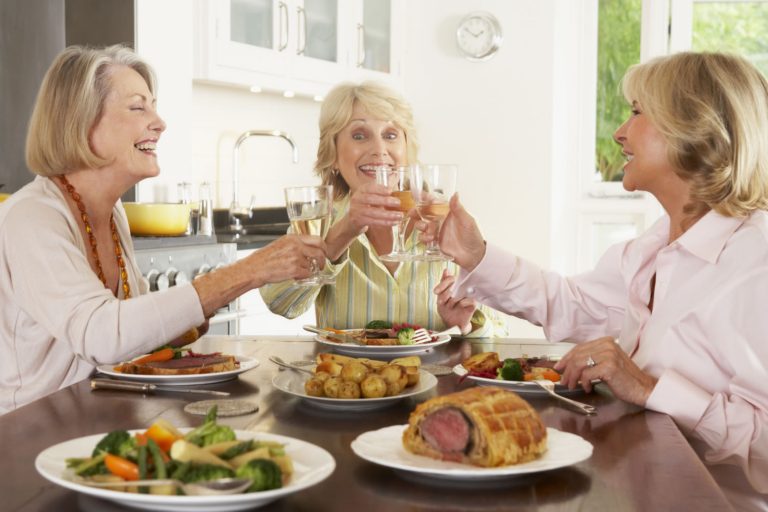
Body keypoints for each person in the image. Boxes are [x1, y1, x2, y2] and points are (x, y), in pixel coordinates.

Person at [430, 52, 768, 510]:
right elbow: (571, 304)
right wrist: (475, 253)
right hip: (640, 484)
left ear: (694, 127)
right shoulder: (657, 245)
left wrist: (650, 388)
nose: (620, 133)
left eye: (636, 112)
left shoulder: (756, 263)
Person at [0, 45, 326, 414]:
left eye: (153, 105)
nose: (159, 121)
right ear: (79, 121)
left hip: (96, 419)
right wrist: (248, 272)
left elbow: (131, 340)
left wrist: (186, 321)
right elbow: (102, 336)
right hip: (26, 439)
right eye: (138, 107)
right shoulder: (31, 217)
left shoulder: (110, 212)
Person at [260, 81, 507, 335]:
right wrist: (342, 233)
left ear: (406, 151)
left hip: (434, 375)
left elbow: (500, 335)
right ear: (332, 154)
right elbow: (280, 303)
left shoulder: (445, 221)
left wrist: (466, 324)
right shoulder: (318, 221)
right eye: (359, 135)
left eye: (390, 135)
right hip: (346, 375)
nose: (379, 150)